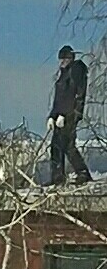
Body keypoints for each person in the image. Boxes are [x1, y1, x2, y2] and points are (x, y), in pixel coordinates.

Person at [48, 45, 91, 186]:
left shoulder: (76, 70)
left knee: (68, 145)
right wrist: (52, 116)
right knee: (56, 146)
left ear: (70, 58)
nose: (61, 62)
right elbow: (59, 98)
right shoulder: (63, 74)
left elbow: (74, 95)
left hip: (70, 114)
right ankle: (57, 178)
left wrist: (65, 115)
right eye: (60, 59)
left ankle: (82, 173)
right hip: (61, 116)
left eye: (64, 59)